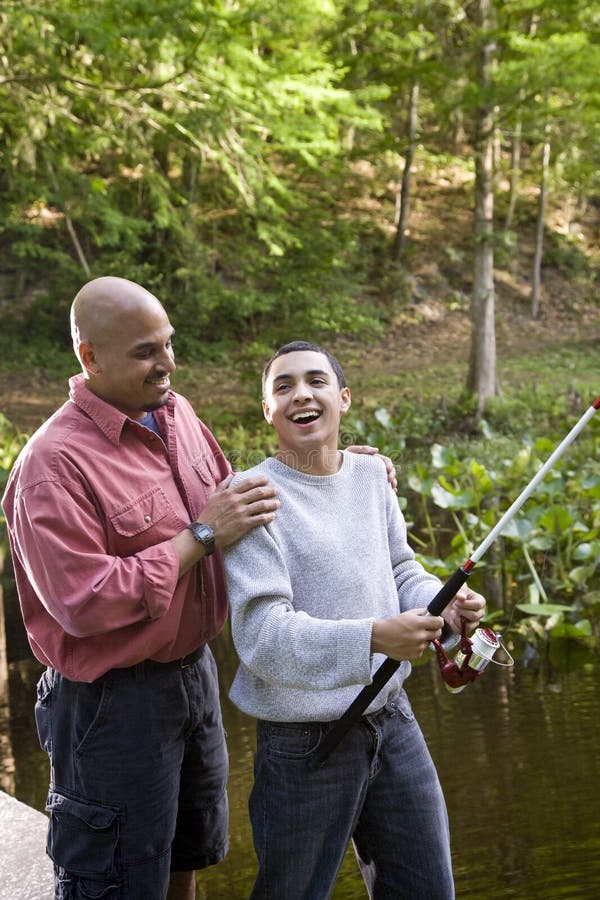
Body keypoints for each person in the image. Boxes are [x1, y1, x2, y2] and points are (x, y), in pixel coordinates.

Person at [1, 278, 396, 900]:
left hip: (193, 678)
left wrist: (336, 467)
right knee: (113, 881)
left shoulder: (174, 412)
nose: (166, 364)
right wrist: (201, 536)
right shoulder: (52, 465)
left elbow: (233, 497)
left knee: (186, 856)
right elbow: (84, 601)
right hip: (111, 705)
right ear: (90, 357)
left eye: (168, 344)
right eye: (144, 352)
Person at [223, 340, 487, 900]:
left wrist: (445, 607)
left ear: (343, 398)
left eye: (316, 381)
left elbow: (400, 570)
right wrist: (374, 635)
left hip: (392, 719)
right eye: (283, 386)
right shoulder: (251, 497)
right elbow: (263, 636)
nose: (301, 394)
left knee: (428, 889)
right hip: (303, 743)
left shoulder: (372, 478)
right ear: (267, 410)